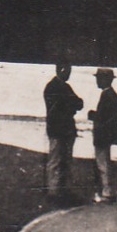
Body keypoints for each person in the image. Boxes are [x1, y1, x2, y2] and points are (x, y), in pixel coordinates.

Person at [43, 63, 85, 201]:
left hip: (62, 128)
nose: (68, 73)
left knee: (64, 159)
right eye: (67, 70)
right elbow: (73, 104)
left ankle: (60, 189)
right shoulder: (54, 87)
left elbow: (79, 103)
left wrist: (70, 105)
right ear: (60, 70)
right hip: (59, 128)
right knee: (56, 159)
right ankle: (54, 190)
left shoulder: (61, 87)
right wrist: (70, 106)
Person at [88, 67, 117, 203]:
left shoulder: (107, 95)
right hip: (107, 134)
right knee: (104, 162)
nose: (97, 81)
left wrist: (93, 115)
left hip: (103, 134)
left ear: (105, 80)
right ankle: (107, 191)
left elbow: (103, 117)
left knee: (102, 163)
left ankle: (107, 192)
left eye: (98, 78)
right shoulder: (111, 94)